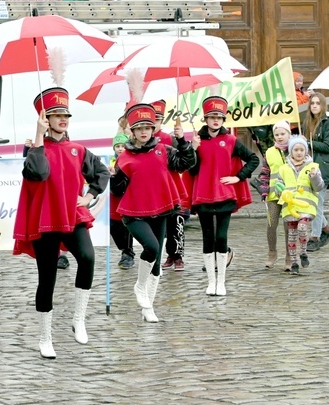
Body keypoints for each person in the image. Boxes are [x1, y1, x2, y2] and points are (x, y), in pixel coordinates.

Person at [13, 87, 110, 359]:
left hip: (72, 215)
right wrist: (38, 137)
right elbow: (39, 173)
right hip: (47, 219)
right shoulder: (35, 151)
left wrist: (89, 196)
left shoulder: (78, 149)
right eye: (55, 114)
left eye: (65, 114)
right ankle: (45, 337)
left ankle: (79, 318)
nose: (62, 119)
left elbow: (101, 172)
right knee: (48, 279)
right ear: (45, 118)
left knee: (88, 258)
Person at [111, 103, 196, 323]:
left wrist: (183, 141)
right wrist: (114, 176)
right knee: (152, 247)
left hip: (161, 209)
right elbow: (117, 189)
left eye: (147, 127)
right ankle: (140, 286)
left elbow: (186, 163)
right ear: (132, 131)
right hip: (134, 213)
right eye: (139, 128)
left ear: (152, 129)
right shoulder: (125, 157)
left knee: (156, 263)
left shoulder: (165, 150)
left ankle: (148, 308)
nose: (143, 131)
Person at [189, 96, 259, 296]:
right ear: (206, 118)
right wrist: (192, 149)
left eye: (219, 117)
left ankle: (221, 282)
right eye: (212, 117)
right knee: (208, 238)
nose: (216, 120)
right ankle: (211, 282)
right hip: (203, 195)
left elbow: (253, 159)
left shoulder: (231, 140)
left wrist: (238, 177)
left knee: (221, 237)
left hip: (224, 195)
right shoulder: (197, 140)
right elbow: (191, 170)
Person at [275, 135, 324, 274]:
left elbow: (319, 187)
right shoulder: (284, 168)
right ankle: (294, 263)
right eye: (296, 149)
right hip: (290, 207)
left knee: (302, 227)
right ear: (291, 151)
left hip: (306, 206)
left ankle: (303, 252)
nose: (299, 152)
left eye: (302, 149)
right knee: (291, 234)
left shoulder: (313, 167)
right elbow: (279, 187)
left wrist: (315, 177)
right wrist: (280, 191)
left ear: (306, 151)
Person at [151, 100, 189, 272]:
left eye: (158, 119)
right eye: (153, 119)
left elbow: (185, 159)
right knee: (161, 227)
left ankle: (178, 256)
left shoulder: (170, 139)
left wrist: (182, 140)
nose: (155, 122)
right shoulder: (141, 139)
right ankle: (167, 254)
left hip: (172, 187)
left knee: (176, 224)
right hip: (154, 190)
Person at [24, 137, 71, 270]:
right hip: (45, 203)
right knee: (46, 272)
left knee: (86, 256)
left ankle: (63, 255)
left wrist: (89, 196)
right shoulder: (38, 149)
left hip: (64, 202)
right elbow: (34, 171)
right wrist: (28, 149)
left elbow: (98, 171)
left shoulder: (74, 149)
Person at [303, 92, 329, 251]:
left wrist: (310, 143)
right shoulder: (307, 122)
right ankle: (327, 230)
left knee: (316, 204)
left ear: (323, 105)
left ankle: (315, 237)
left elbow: (328, 146)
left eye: (317, 103)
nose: (314, 105)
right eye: (312, 103)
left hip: (322, 168)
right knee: (310, 204)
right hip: (308, 168)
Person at [258, 120, 291, 268]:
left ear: (289, 134)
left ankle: (290, 257)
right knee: (271, 225)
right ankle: (272, 253)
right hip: (273, 195)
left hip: (291, 195)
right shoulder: (270, 152)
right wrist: (264, 192)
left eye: (283, 133)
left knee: (289, 226)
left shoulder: (296, 149)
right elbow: (265, 174)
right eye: (277, 134)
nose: (280, 137)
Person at [108, 132, 135, 270]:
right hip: (113, 200)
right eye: (117, 146)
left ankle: (128, 253)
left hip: (126, 199)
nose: (120, 148)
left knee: (126, 228)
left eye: (122, 146)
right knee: (114, 227)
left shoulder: (130, 160)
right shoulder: (110, 161)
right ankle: (123, 249)